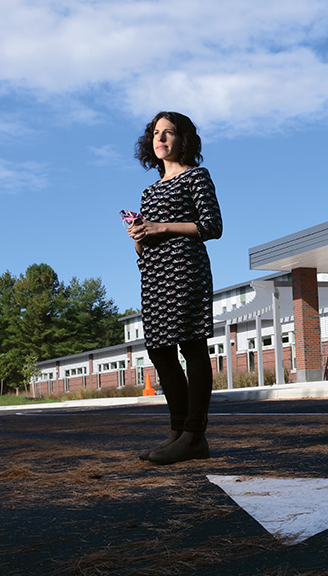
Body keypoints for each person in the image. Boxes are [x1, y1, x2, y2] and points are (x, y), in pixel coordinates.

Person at [127, 111, 223, 465]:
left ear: (184, 140)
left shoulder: (196, 176)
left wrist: (161, 227)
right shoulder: (149, 191)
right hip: (153, 275)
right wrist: (139, 236)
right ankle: (178, 431)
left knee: (191, 346)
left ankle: (194, 435)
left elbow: (212, 226)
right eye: (155, 133)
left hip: (185, 270)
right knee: (159, 351)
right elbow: (147, 238)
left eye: (169, 133)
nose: (161, 139)